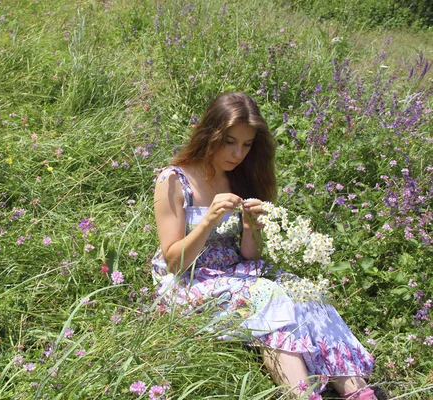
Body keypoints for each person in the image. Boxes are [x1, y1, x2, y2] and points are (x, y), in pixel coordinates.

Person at [151, 92, 384, 399]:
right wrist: (209, 219)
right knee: (271, 296)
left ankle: (356, 391)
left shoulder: (238, 177)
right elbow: (174, 262)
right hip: (189, 281)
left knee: (304, 293)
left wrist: (251, 226)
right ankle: (303, 395)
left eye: (247, 145)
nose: (238, 154)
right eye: (230, 141)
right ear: (210, 134)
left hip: (234, 272)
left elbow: (250, 254)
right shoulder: (173, 180)